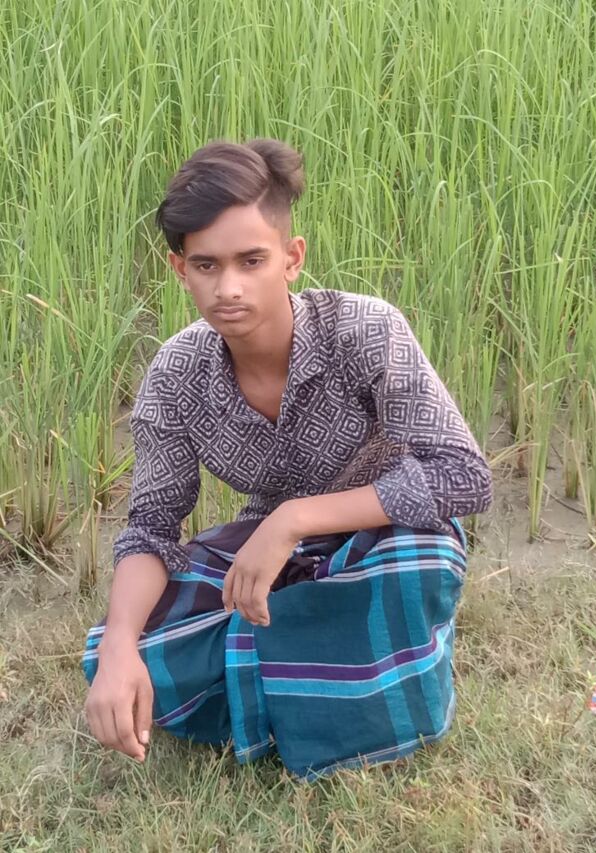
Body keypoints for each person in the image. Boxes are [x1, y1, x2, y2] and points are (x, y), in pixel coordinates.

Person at [82, 138, 493, 782]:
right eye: (206, 265)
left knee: (418, 565)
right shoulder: (175, 374)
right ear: (179, 269)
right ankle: (315, 677)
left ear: (292, 258)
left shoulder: (365, 330)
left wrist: (294, 518)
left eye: (252, 261)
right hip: (268, 555)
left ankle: (291, 680)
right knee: (126, 642)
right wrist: (118, 648)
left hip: (381, 535)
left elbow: (464, 475)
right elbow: (151, 530)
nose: (229, 287)